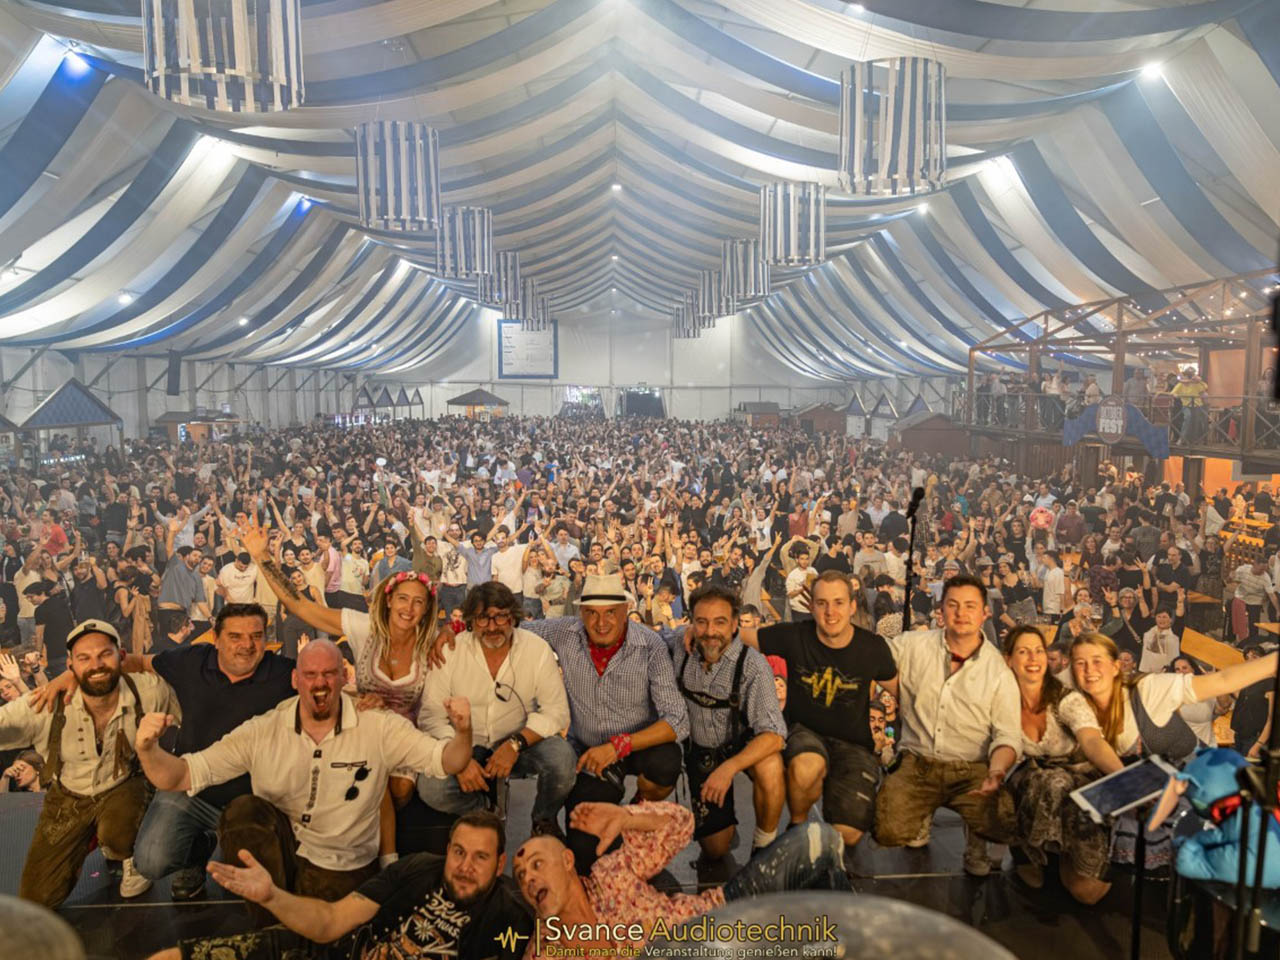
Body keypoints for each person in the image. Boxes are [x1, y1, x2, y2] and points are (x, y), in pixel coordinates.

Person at [133, 640, 475, 914]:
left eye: (329, 674)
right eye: (310, 674)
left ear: (344, 678)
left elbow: (446, 761)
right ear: (296, 681)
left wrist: (463, 732)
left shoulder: (380, 726)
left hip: (341, 862)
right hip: (282, 853)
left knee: (328, 937)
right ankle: (267, 917)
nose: (320, 683)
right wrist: (149, 750)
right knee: (243, 813)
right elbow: (181, 775)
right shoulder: (263, 729)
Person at [436, 574, 688, 875]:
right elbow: (508, 624)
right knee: (587, 853)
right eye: (592, 613)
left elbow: (677, 719)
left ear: (625, 610)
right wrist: (452, 629)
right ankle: (578, 814)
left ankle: (636, 810)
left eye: (610, 613)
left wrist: (619, 746)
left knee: (667, 760)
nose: (601, 622)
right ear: (580, 613)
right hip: (589, 754)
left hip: (635, 745)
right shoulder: (565, 631)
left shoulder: (650, 645)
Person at [1066, 632, 1280, 903]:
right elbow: (1090, 743)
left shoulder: (1148, 689)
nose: (1089, 670)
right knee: (1085, 891)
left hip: (1196, 778)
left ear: (1116, 665)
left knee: (1224, 867)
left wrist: (1273, 662)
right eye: (1080, 663)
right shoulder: (1075, 705)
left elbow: (1221, 680)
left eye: (1097, 661)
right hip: (1137, 784)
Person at [145, 811, 533, 960]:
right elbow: (331, 921)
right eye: (459, 853)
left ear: (500, 863)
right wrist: (272, 897)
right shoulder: (418, 869)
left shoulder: (509, 918)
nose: (465, 867)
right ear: (447, 850)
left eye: (480, 858)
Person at [512, 801, 850, 958]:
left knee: (818, 840)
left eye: (538, 864)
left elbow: (680, 826)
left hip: (725, 916)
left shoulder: (609, 873)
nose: (528, 878)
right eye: (521, 875)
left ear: (567, 861)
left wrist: (628, 817)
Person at [0, 620, 178, 906]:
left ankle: (125, 851)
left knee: (119, 828)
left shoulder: (149, 690)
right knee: (36, 899)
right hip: (68, 797)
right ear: (70, 664)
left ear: (121, 656)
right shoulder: (47, 702)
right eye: (84, 658)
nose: (96, 665)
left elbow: (194, 695)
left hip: (124, 784)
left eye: (104, 654)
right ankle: (92, 839)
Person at [874, 576, 1021, 877]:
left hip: (971, 767)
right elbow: (874, 656)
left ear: (984, 613)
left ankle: (976, 843)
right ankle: (921, 812)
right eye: (953, 605)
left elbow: (1007, 734)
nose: (961, 613)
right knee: (886, 830)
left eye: (970, 606)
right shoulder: (912, 645)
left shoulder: (999, 672)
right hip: (919, 761)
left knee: (1003, 818)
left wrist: (997, 771)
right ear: (941, 610)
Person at [744, 571, 895, 848]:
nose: (830, 612)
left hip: (854, 744)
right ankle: (797, 825)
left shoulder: (872, 647)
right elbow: (744, 634)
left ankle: (832, 807)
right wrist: (695, 629)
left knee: (848, 835)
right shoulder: (794, 636)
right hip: (806, 732)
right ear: (811, 607)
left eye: (838, 602)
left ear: (852, 606)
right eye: (822, 603)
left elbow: (902, 692)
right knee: (806, 768)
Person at [417, 582, 575, 838]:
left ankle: (543, 819)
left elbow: (557, 712)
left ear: (513, 616)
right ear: (470, 620)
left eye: (500, 616)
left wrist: (515, 744)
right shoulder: (450, 651)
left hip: (521, 743)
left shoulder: (537, 650)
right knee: (431, 788)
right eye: (482, 618)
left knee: (563, 760)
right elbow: (431, 716)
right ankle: (486, 811)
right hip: (465, 743)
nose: (492, 626)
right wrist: (459, 760)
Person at [1002, 625, 1122, 896]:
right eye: (1024, 652)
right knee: (1044, 780)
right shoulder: (999, 700)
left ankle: (1070, 853)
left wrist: (1122, 778)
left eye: (1038, 651)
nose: (1033, 659)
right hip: (1028, 787)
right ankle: (1027, 850)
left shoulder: (1066, 698)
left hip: (1077, 786)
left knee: (1086, 893)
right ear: (1008, 659)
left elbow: (1092, 741)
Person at [673, 583, 786, 859]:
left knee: (770, 765)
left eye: (720, 622)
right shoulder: (679, 645)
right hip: (701, 750)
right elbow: (654, 635)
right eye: (702, 622)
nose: (710, 631)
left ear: (735, 624)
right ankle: (724, 828)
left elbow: (775, 734)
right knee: (715, 850)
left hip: (739, 743)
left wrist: (730, 768)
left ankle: (764, 845)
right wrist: (684, 631)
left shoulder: (753, 665)